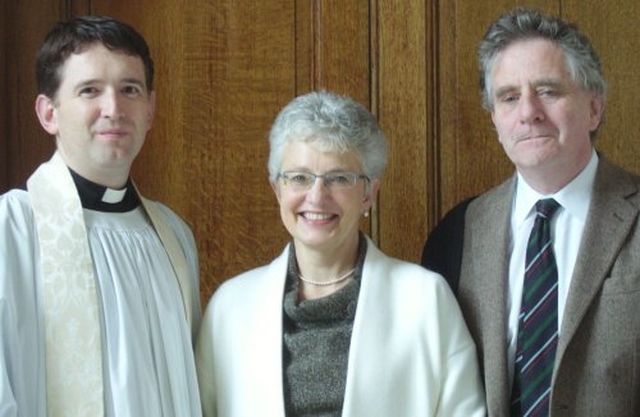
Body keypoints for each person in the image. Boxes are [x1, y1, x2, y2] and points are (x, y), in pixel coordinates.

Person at [195, 90, 486, 417]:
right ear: (277, 189)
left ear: (368, 194)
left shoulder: (426, 299)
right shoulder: (230, 308)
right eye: (299, 178)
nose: (316, 197)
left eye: (338, 179)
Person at [422, 7, 640, 417]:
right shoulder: (458, 234)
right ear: (495, 120)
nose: (528, 112)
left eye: (548, 91)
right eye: (509, 97)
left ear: (594, 108)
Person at [0, 16, 202, 416]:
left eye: (130, 90)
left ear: (149, 109)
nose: (114, 108)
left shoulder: (173, 236)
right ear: (49, 113)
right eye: (90, 90)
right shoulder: (14, 228)